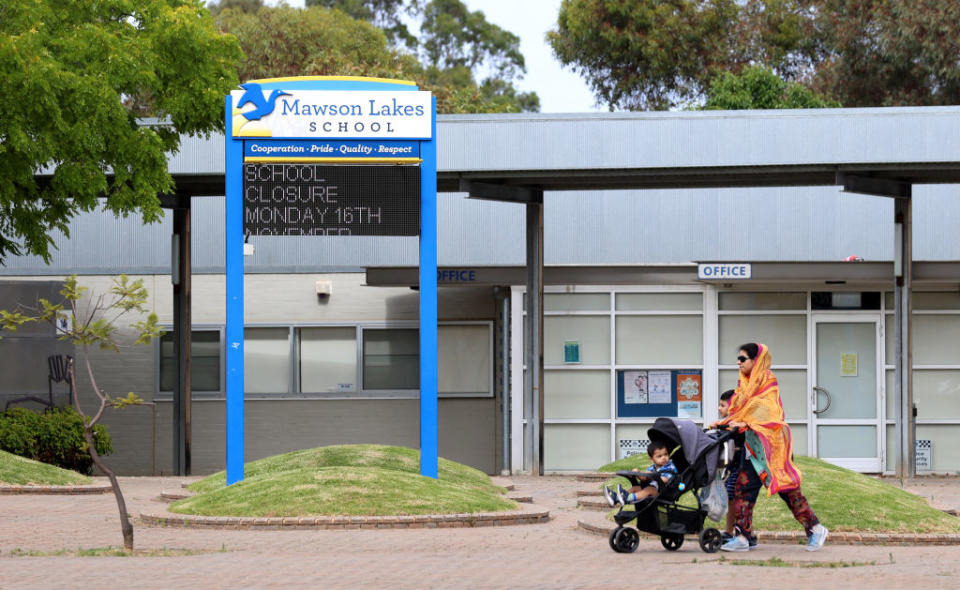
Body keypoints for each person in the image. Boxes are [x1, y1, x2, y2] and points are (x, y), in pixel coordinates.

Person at [713, 343, 828, 552]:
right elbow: (739, 411)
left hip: (772, 448)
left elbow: (769, 412)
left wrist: (746, 423)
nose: (738, 363)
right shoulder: (745, 385)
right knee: (742, 489)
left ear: (756, 361)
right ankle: (743, 537)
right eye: (738, 358)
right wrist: (722, 423)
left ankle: (816, 528)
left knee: (788, 491)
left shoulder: (768, 382)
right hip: (752, 447)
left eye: (743, 359)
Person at [602, 440, 677, 507]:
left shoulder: (670, 467)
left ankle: (627, 497)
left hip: (662, 492)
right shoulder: (652, 468)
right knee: (635, 488)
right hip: (652, 488)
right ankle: (616, 498)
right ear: (651, 459)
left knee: (648, 489)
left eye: (666, 454)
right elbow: (644, 478)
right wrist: (638, 473)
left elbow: (665, 479)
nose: (664, 457)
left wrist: (652, 476)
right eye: (659, 456)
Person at [717, 389, 745, 545]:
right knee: (732, 497)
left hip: (739, 465)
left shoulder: (737, 423)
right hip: (732, 465)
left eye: (722, 405)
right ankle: (747, 532)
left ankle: (729, 531)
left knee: (732, 496)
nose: (719, 408)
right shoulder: (727, 422)